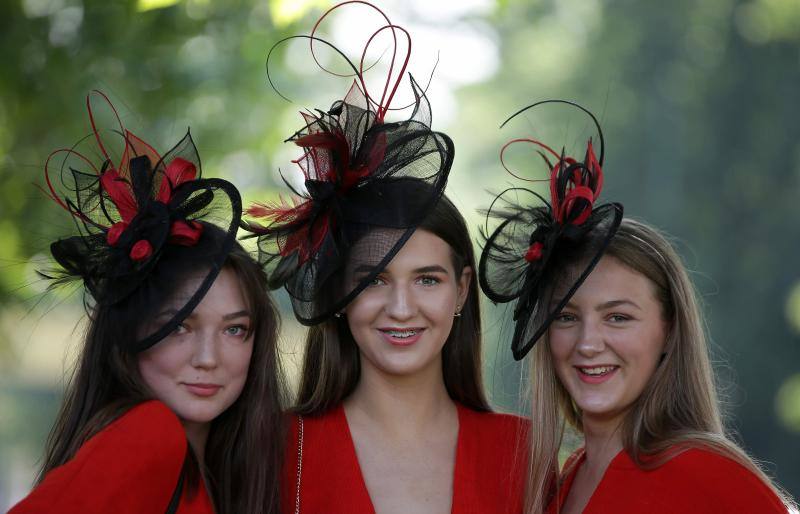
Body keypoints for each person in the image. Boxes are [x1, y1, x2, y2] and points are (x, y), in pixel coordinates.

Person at [243, 4, 528, 513]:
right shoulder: (275, 451)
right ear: (339, 293)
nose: (400, 308)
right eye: (374, 280)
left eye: (427, 279)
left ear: (462, 289)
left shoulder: (523, 453)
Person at [479, 100, 796, 513]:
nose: (588, 343)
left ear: (669, 330)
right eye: (567, 317)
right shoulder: (564, 481)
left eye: (618, 317)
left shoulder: (710, 478)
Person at [9, 91, 285, 514]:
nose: (208, 358)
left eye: (235, 329)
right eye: (179, 325)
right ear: (130, 332)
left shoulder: (231, 474)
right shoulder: (148, 434)